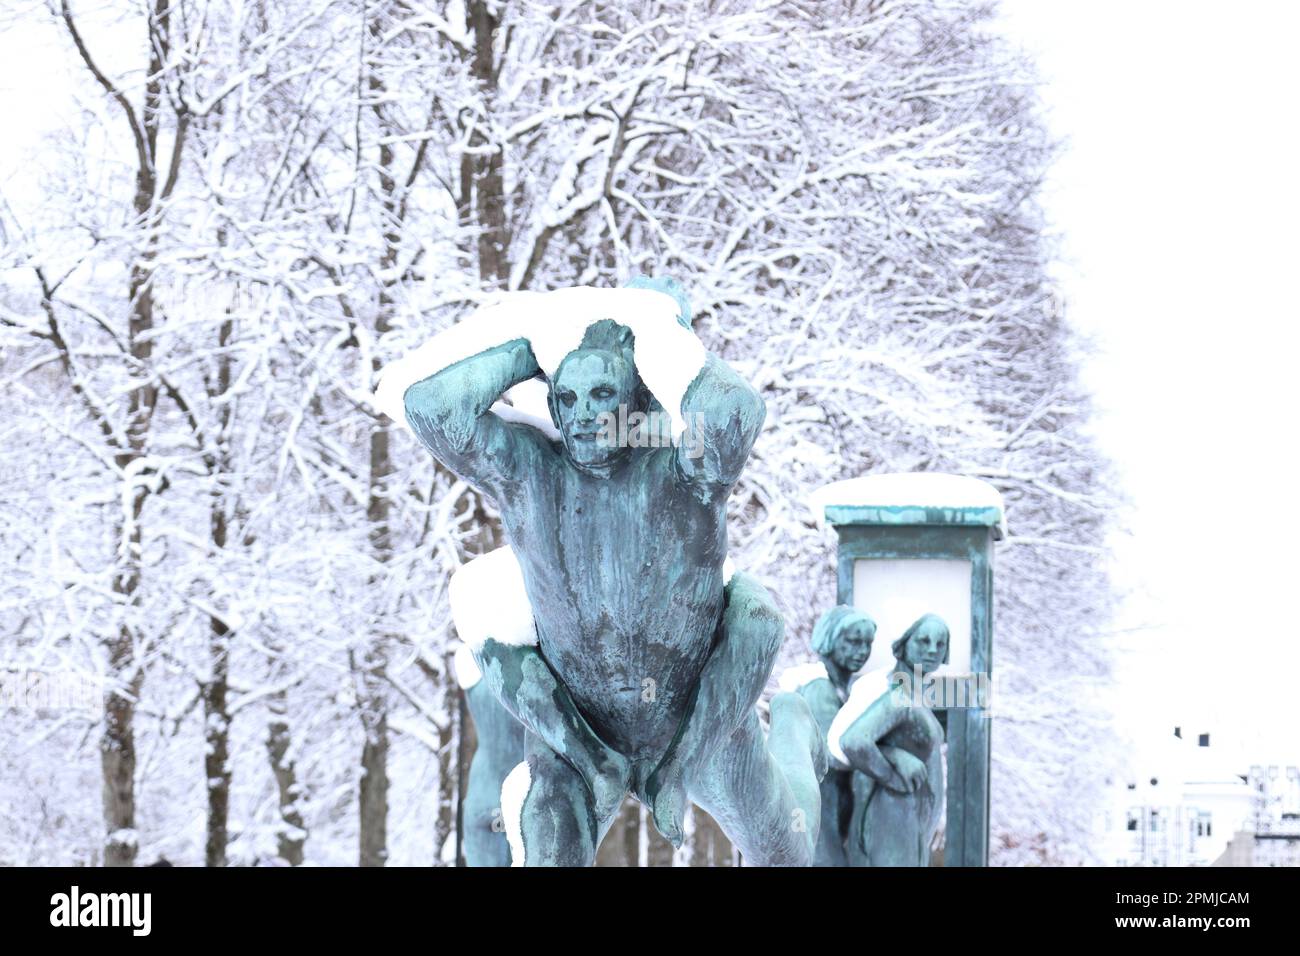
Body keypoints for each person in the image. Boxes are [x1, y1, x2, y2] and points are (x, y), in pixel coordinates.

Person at [395, 281, 825, 866]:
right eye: (567, 399)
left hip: (694, 717)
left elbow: (734, 412)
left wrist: (656, 334)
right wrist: (537, 342)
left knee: (789, 852)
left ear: (638, 400)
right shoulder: (530, 476)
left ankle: (796, 730)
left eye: (603, 393)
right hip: (581, 734)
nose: (585, 414)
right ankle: (599, 771)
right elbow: (430, 407)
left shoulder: (686, 475)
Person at [835, 613, 948, 867]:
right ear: (904, 644)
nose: (932, 650)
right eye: (923, 641)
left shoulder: (914, 695)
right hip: (894, 816)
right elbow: (852, 741)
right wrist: (891, 772)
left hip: (912, 823)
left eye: (940, 644)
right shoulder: (898, 695)